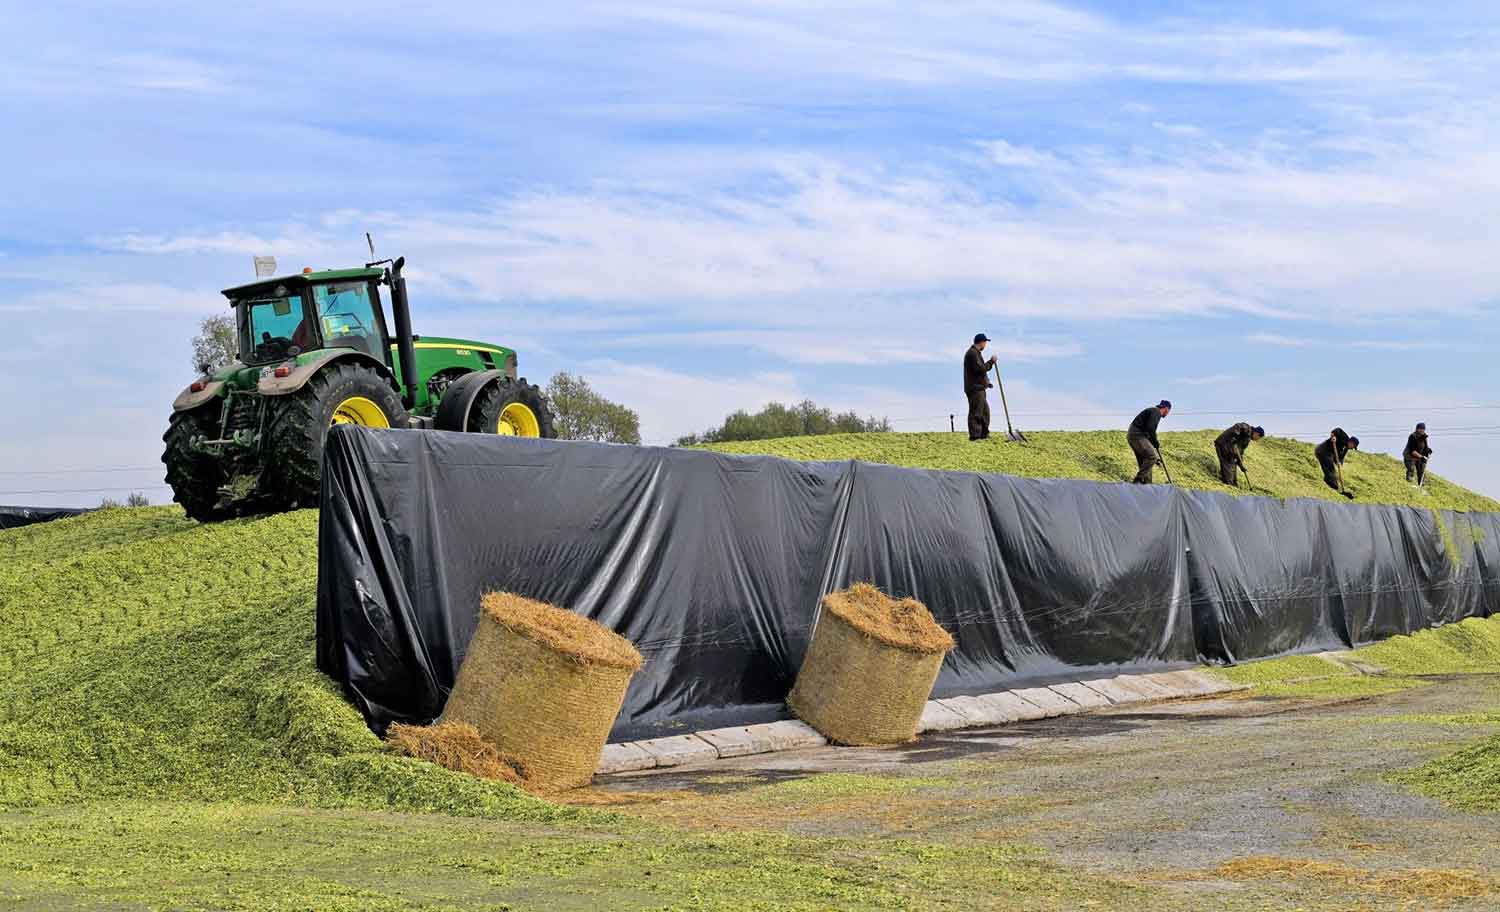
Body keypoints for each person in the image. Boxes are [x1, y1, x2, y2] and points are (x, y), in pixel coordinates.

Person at [1127, 400, 1171, 484]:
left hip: (1133, 435)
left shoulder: (1153, 411)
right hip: (1137, 435)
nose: (1168, 413)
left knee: (1146, 461)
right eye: (1168, 411)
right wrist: (1155, 442)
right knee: (1152, 457)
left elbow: (1148, 431)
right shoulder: (1156, 412)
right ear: (1166, 409)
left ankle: (1147, 484)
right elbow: (1150, 429)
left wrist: (1153, 443)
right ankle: (1138, 480)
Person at [963, 333, 997, 441]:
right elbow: (980, 369)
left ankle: (983, 434)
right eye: (985, 342)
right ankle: (975, 436)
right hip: (975, 388)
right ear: (981, 342)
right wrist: (991, 362)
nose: (985, 345)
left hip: (979, 387)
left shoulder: (976, 353)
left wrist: (986, 383)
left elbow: (979, 372)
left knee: (985, 412)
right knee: (976, 412)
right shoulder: (972, 353)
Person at [1314, 428, 1359, 498]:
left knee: (1332, 470)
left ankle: (1335, 486)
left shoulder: (1346, 449)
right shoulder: (1344, 437)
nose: (1352, 448)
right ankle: (1330, 481)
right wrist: (1334, 436)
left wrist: (1339, 463)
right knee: (1329, 466)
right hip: (1322, 450)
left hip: (1329, 454)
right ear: (1351, 442)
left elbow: (1340, 457)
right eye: (1353, 446)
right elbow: (1338, 430)